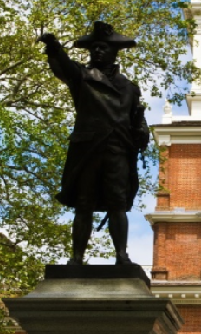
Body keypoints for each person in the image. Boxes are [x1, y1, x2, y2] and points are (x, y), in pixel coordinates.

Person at [37, 21, 149, 266]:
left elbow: (137, 119)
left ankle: (122, 256)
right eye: (94, 48)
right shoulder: (82, 77)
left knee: (118, 204)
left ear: (114, 52)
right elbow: (64, 67)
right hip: (88, 149)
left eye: (103, 47)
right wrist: (54, 46)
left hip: (118, 148)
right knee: (83, 203)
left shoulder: (130, 88)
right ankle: (76, 258)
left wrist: (142, 131)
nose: (97, 51)